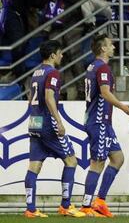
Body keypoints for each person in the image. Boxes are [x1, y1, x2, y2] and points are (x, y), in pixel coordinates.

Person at [24, 40, 85, 218]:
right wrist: (59, 122)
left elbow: (30, 97)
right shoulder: (53, 73)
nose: (62, 55)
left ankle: (31, 209)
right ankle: (65, 206)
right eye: (60, 52)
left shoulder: (36, 72)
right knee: (71, 161)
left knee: (34, 165)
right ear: (52, 55)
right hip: (48, 124)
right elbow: (49, 97)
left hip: (34, 122)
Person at [80, 34, 129, 217]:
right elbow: (104, 93)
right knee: (97, 163)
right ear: (103, 48)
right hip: (99, 121)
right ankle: (86, 206)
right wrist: (123, 107)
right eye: (111, 45)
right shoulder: (102, 67)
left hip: (100, 121)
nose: (114, 47)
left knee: (118, 158)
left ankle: (100, 201)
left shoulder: (92, 66)